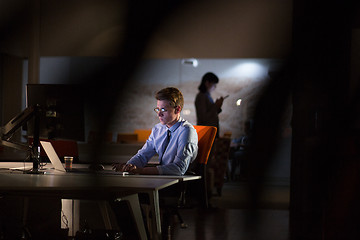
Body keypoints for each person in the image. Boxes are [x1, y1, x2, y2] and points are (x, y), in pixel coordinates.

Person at [113, 87, 198, 175]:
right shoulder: (158, 129)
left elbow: (179, 169)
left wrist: (141, 171)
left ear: (177, 109)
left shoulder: (186, 131)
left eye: (163, 109)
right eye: (158, 109)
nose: (159, 114)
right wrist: (128, 166)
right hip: (163, 178)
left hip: (179, 182)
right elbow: (143, 155)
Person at [195, 72, 224, 137]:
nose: (215, 87)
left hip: (209, 132)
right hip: (205, 133)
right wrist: (216, 106)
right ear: (207, 83)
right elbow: (204, 118)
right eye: (214, 84)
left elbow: (211, 114)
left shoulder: (207, 96)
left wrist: (217, 106)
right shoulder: (201, 96)